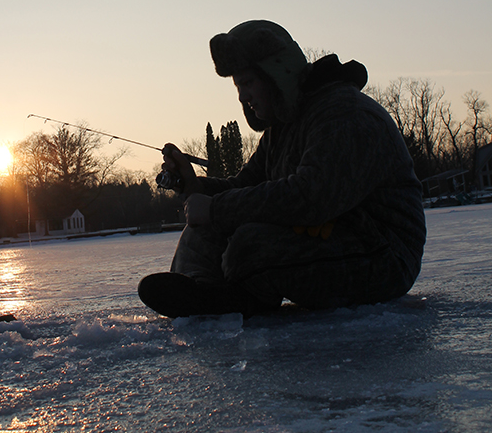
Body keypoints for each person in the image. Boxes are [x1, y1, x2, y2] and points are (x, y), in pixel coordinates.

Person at [138, 20, 426, 319]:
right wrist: (195, 186)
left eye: (247, 83)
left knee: (250, 246)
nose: (242, 97)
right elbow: (246, 187)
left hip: (381, 256)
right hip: (325, 244)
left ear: (277, 74)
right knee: (205, 226)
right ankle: (202, 293)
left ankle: (234, 300)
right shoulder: (283, 127)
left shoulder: (344, 114)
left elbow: (312, 197)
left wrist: (216, 207)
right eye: (238, 86)